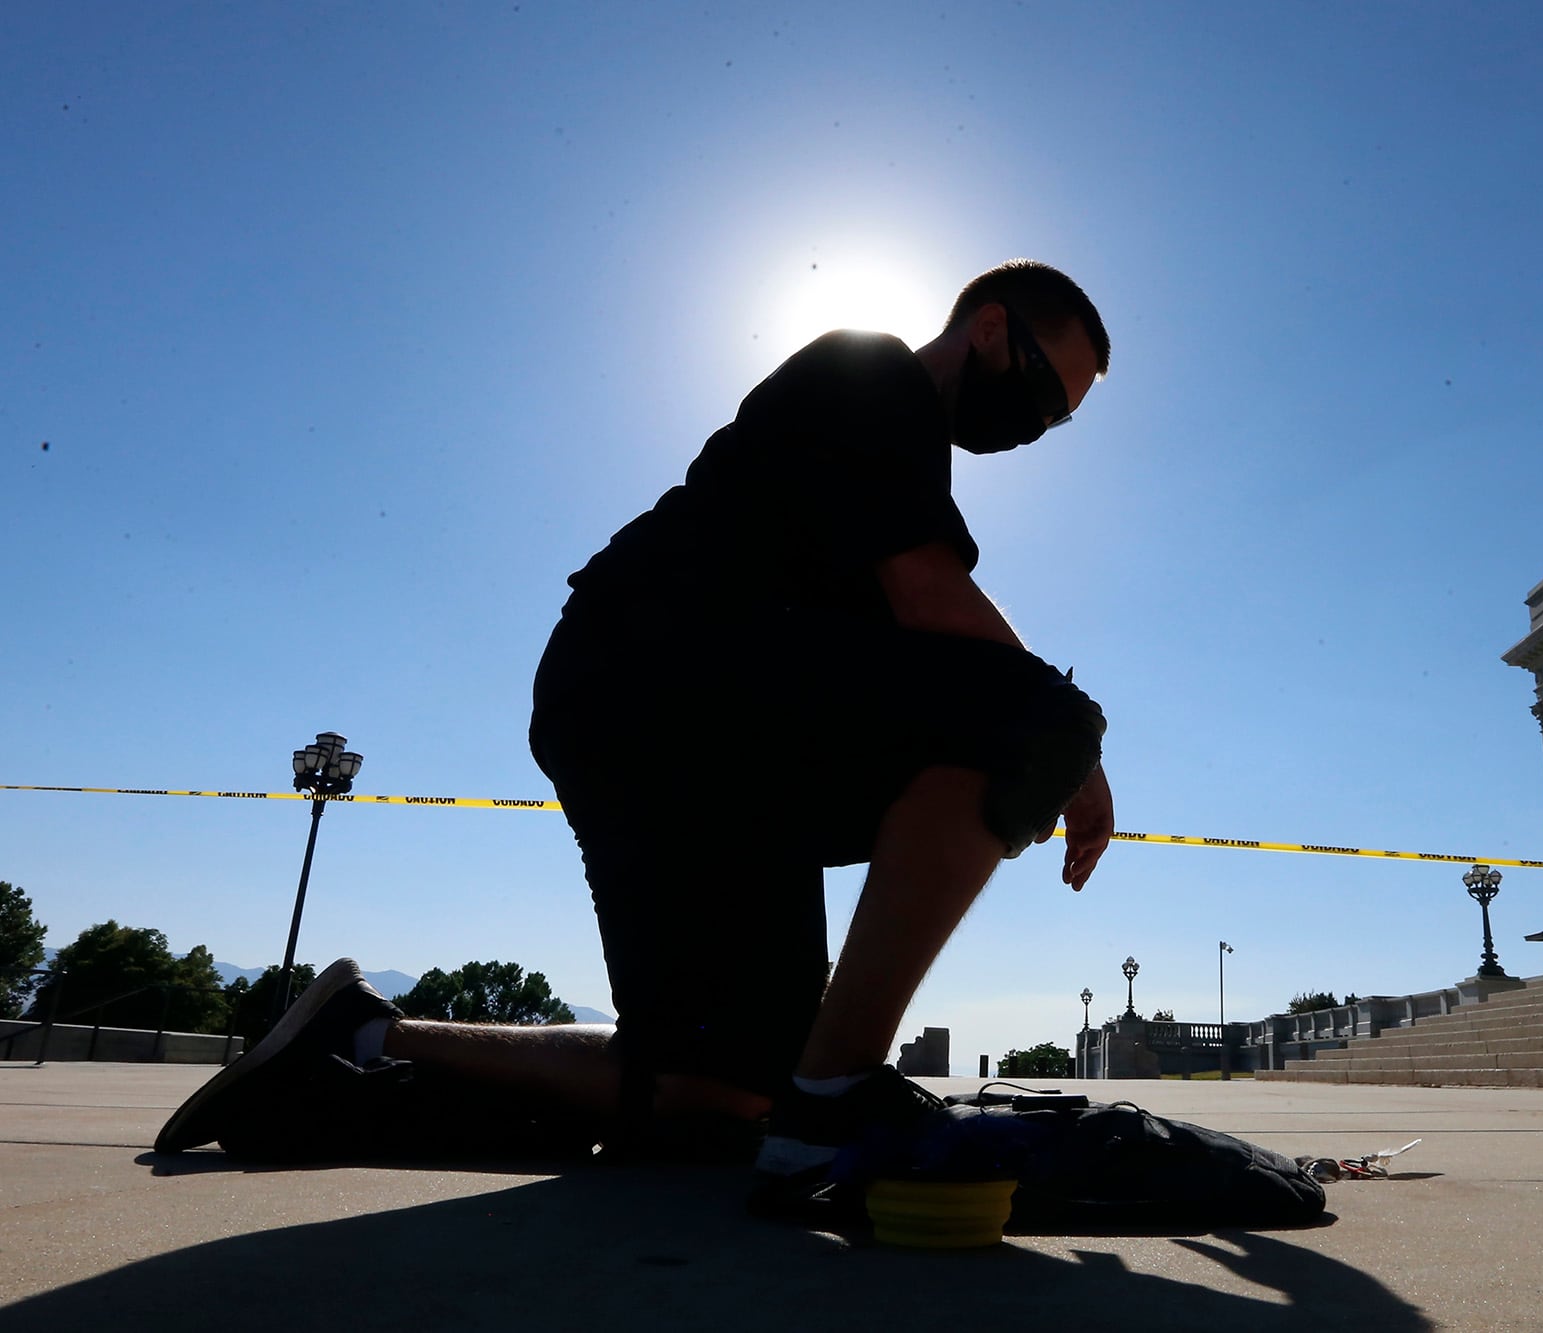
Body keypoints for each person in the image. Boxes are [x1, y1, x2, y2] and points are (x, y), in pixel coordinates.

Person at [157, 260, 1115, 1205]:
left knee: (721, 1099)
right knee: (1039, 716)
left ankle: (363, 1041)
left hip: (726, 733)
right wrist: (1071, 751)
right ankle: (838, 1094)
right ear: (989, 327)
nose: (1038, 427)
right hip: (661, 689)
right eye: (1043, 392)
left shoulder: (900, 452)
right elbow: (933, 602)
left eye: (1058, 420)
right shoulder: (873, 376)